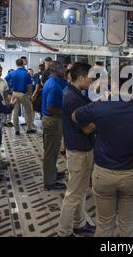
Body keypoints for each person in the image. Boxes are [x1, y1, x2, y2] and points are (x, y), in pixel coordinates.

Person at [72, 72, 133, 237]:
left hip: (103, 174)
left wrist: (94, 122)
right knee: (128, 226)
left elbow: (75, 116)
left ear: (114, 84)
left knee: (104, 225)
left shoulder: (101, 106)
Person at [58, 62, 96, 237]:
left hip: (80, 147)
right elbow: (86, 128)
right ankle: (64, 232)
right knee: (73, 194)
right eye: (90, 78)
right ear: (80, 77)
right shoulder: (73, 99)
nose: (91, 81)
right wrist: (107, 119)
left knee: (80, 192)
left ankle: (79, 224)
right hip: (79, 150)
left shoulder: (73, 93)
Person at [42, 61, 67, 191]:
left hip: (51, 120)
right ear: (56, 70)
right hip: (53, 120)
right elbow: (51, 107)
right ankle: (49, 182)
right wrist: (66, 113)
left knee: (52, 151)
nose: (64, 70)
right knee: (51, 152)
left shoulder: (51, 82)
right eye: (62, 68)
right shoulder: (54, 86)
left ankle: (52, 173)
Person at [5, 59, 36, 135]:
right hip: (23, 94)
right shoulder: (26, 74)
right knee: (28, 111)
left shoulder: (12, 73)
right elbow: (29, 86)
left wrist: (10, 87)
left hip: (14, 93)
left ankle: (16, 130)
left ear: (16, 64)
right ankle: (29, 129)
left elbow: (5, 80)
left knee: (15, 112)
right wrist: (30, 95)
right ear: (23, 64)